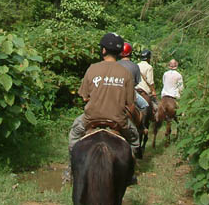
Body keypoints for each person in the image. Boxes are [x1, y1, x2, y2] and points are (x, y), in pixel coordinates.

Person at [66, 32, 140, 184]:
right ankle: (130, 174)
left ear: (104, 50)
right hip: (118, 121)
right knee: (135, 140)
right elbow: (130, 103)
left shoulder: (92, 68)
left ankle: (71, 170)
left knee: (74, 135)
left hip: (90, 119)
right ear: (120, 52)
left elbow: (84, 96)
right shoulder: (126, 73)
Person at [118, 42, 149, 115]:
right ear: (130, 53)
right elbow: (136, 82)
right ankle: (142, 125)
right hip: (130, 92)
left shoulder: (115, 64)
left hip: (115, 91)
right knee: (145, 106)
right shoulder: (135, 66)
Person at [136, 48, 158, 114]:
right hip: (144, 92)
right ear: (148, 58)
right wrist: (153, 91)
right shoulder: (149, 67)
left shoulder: (136, 65)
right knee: (156, 109)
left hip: (135, 91)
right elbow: (150, 81)